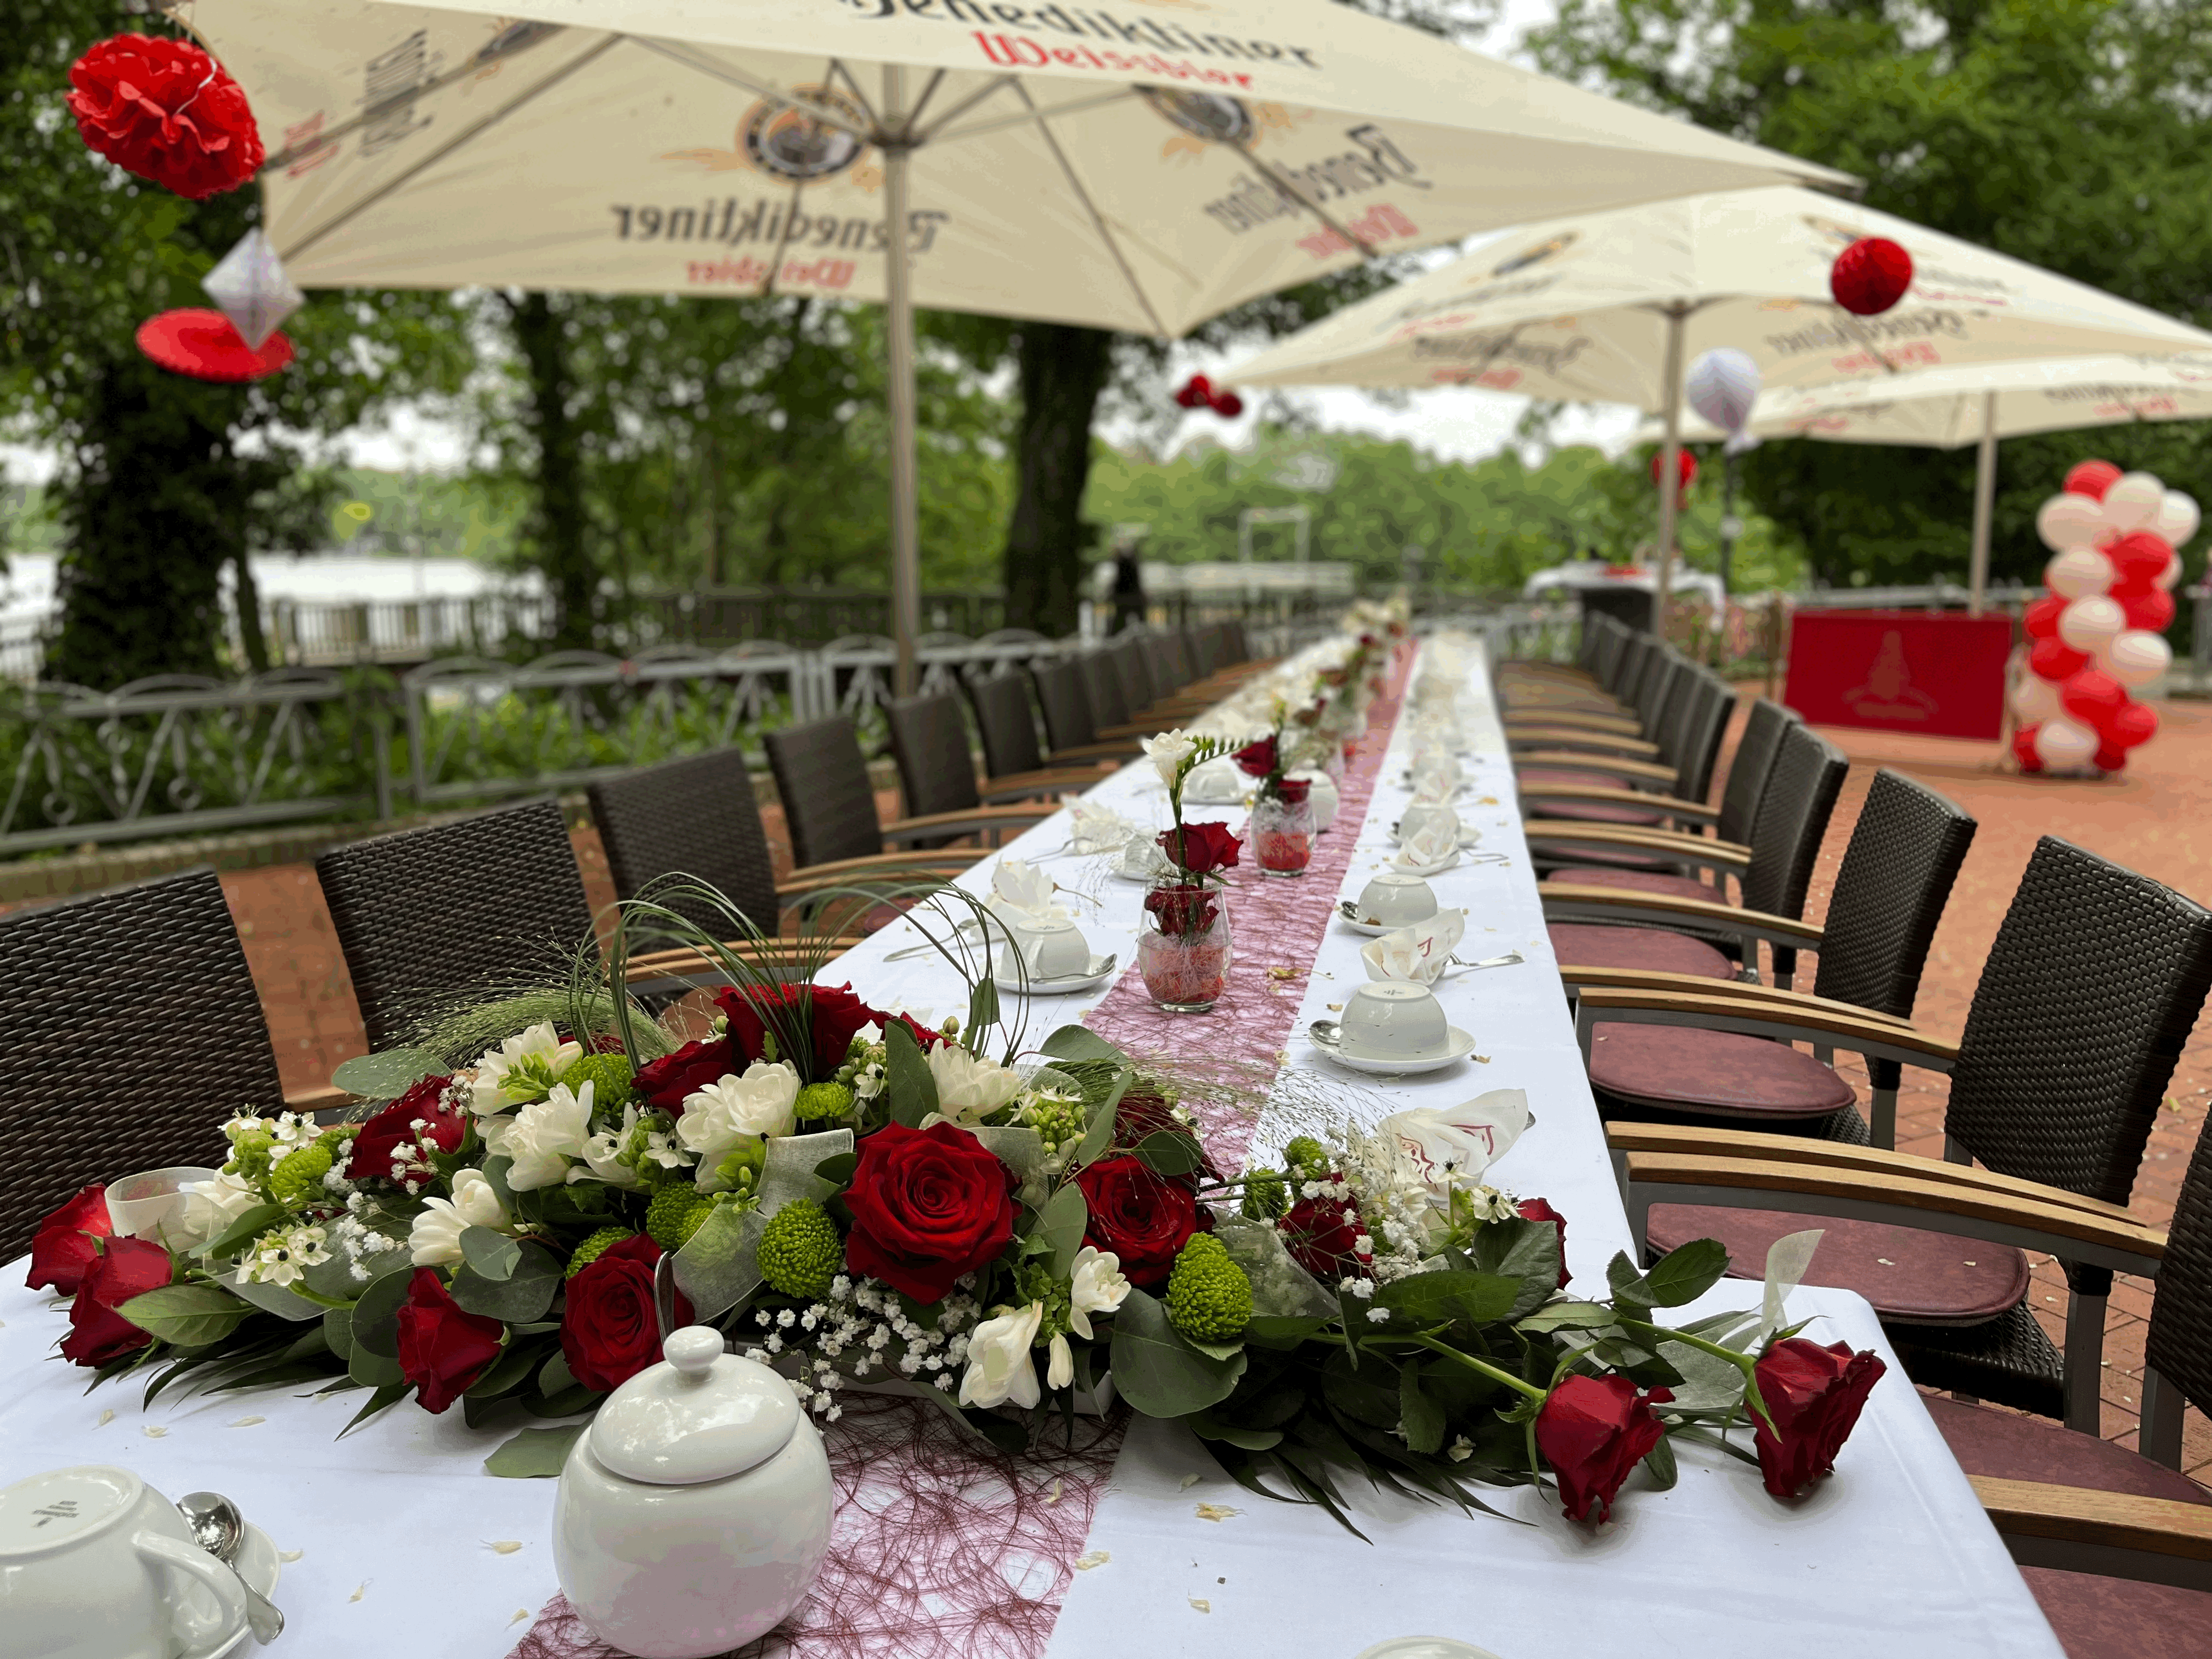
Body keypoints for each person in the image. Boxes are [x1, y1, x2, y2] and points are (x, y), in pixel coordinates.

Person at [1110, 536, 1147, 633]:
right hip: (1131, 595)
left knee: (1119, 622)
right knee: (1137, 620)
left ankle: (1113, 636)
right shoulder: (1131, 563)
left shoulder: (1124, 563)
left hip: (1125, 596)